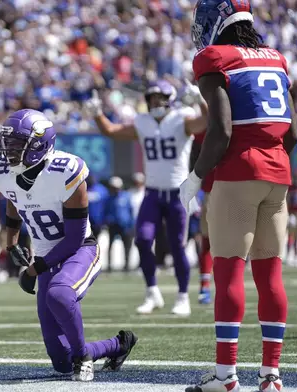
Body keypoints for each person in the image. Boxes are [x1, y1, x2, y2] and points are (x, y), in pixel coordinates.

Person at [180, 1, 297, 391]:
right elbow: (292, 134)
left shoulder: (215, 57)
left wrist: (196, 177)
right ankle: (271, 376)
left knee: (228, 270)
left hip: (239, 173)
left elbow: (222, 131)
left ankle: (226, 376)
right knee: (270, 274)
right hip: (277, 174)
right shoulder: (276, 58)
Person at [0, 109, 137, 382]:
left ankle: (85, 360)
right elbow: (14, 196)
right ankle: (118, 345)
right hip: (46, 253)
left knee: (59, 294)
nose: (7, 149)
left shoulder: (65, 171)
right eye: (7, 142)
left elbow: (73, 238)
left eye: (16, 143)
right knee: (61, 361)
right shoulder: (5, 173)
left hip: (79, 249)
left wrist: (34, 270)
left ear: (37, 145)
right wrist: (11, 242)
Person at [86, 80, 208, 316]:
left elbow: (207, 122)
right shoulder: (143, 122)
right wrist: (97, 114)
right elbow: (111, 131)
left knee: (177, 246)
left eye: (159, 98)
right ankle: (152, 292)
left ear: (170, 99)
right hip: (152, 192)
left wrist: (201, 102)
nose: (155, 103)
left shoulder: (182, 117)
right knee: (142, 239)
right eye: (151, 99)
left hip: (178, 193)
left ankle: (183, 296)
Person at [190, 132, 215, 304]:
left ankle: (206, 286)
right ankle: (206, 286)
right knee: (208, 241)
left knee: (209, 242)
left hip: (217, 188)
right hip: (225, 188)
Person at [104, 177, 134, 272]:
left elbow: (130, 210)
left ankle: (127, 265)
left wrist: (131, 224)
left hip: (125, 225)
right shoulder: (108, 198)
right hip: (113, 225)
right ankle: (109, 265)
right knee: (110, 246)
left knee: (127, 246)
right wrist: (107, 220)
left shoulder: (126, 196)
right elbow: (105, 211)